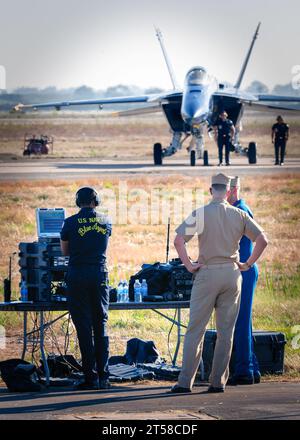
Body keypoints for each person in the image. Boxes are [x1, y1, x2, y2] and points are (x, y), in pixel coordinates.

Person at [170, 173, 268, 394]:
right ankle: (218, 382)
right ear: (229, 191)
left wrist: (189, 265)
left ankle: (185, 382)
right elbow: (263, 239)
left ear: (210, 190)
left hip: (207, 273)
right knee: (226, 332)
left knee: (195, 330)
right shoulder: (239, 214)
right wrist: (248, 263)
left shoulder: (201, 214)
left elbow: (178, 241)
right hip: (232, 274)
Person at [60, 187, 112, 390]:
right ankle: (104, 377)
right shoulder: (106, 220)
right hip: (99, 274)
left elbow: (65, 252)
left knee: (83, 326)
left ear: (77, 202)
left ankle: (90, 377)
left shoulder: (70, 222)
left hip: (78, 275)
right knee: (101, 324)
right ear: (95, 201)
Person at [227, 176, 261, 385]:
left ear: (234, 190)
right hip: (243, 269)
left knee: (240, 320)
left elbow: (260, 239)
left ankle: (243, 371)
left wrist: (248, 263)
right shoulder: (237, 209)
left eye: (226, 190)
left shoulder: (241, 210)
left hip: (245, 270)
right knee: (243, 320)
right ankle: (252, 368)